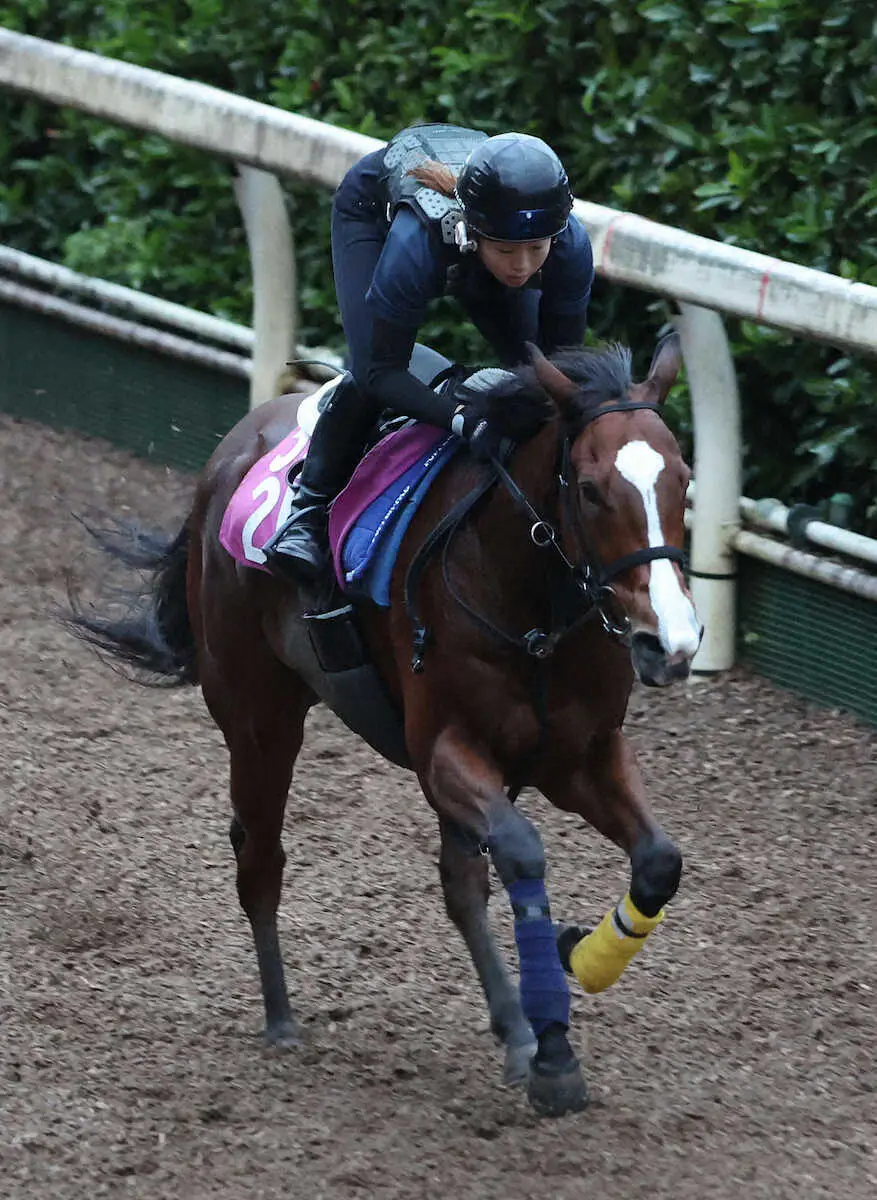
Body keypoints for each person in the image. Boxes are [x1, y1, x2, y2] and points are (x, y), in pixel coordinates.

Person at [264, 122, 595, 582]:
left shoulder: (570, 247)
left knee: (538, 373)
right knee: (366, 370)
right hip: (372, 216)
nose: (521, 267)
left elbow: (560, 371)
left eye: (535, 249)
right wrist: (462, 417)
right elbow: (382, 372)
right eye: (506, 250)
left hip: (467, 245)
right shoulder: (417, 243)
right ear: (475, 233)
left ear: (554, 237)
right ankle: (307, 511)